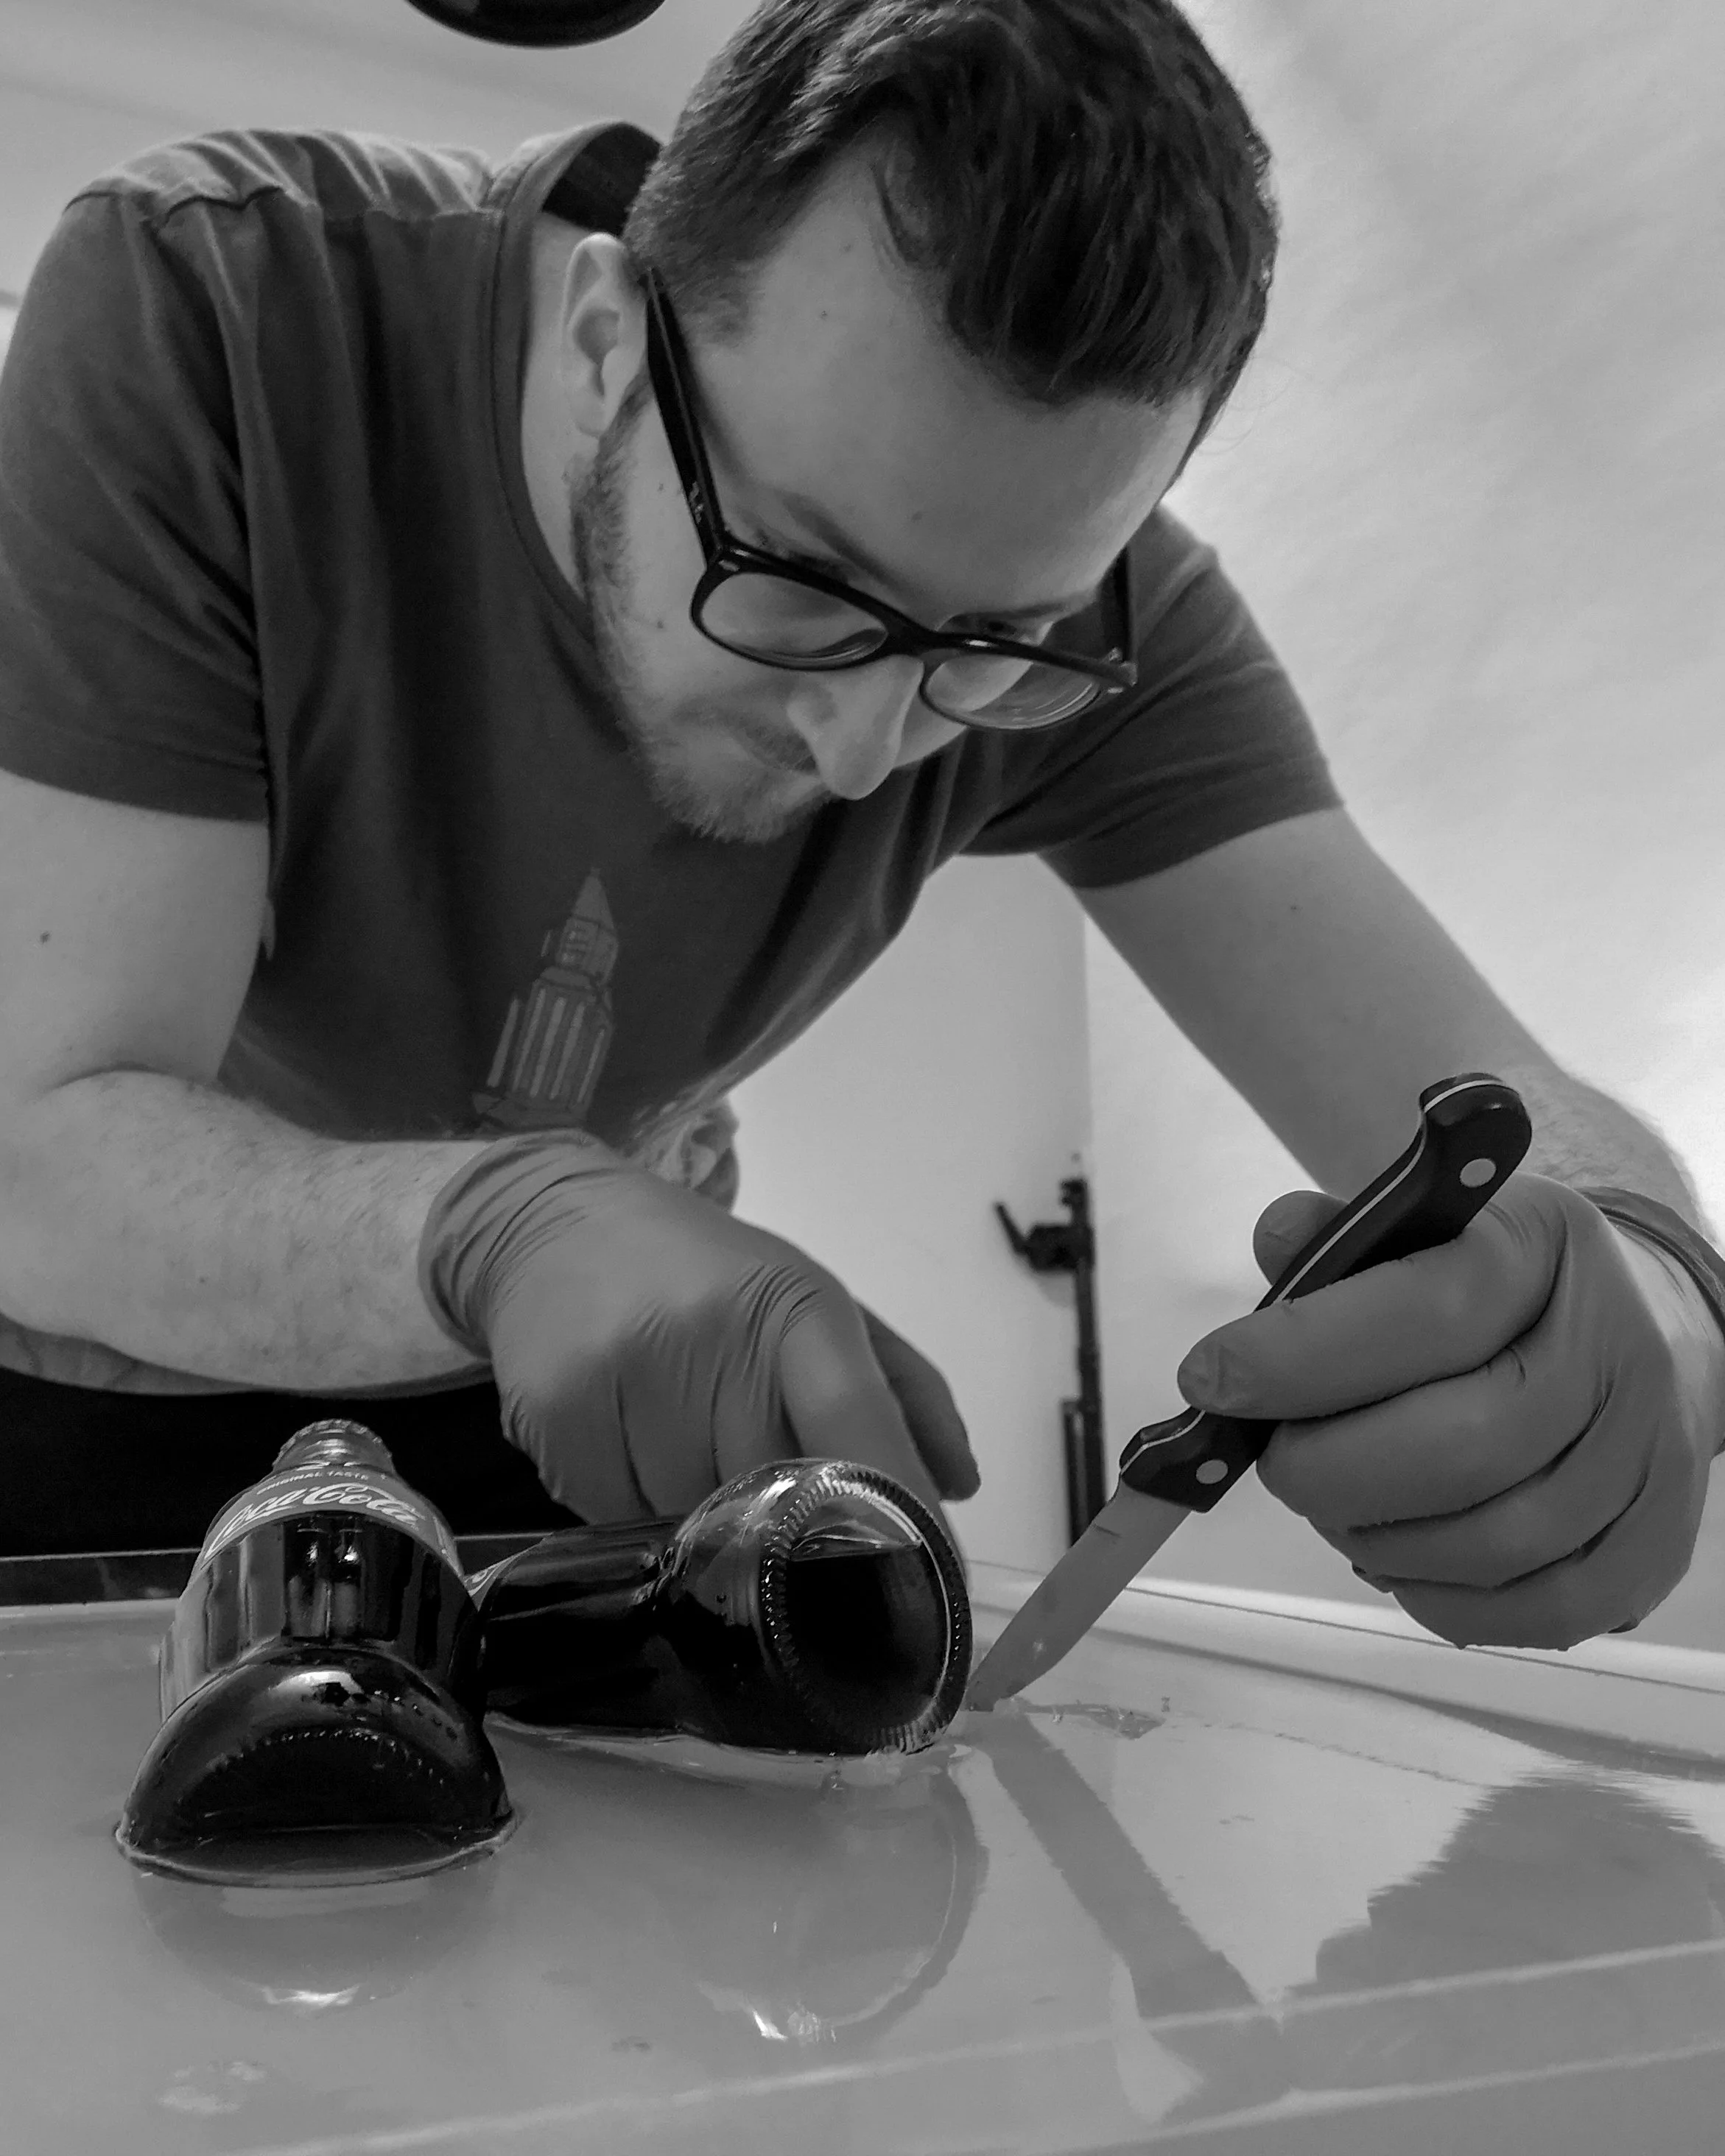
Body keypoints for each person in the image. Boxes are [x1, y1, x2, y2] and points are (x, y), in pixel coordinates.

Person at [0, 0, 1718, 1648]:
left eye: (989, 644)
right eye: (804, 582)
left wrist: (1651, 1305)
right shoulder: (220, 305)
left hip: (554, 1416)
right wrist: (492, 1226)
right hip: (81, 1382)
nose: (861, 742)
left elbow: (1501, 1109)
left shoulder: (1104, 623)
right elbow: (38, 1154)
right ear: (605, 345)